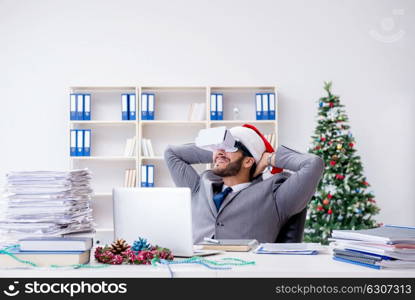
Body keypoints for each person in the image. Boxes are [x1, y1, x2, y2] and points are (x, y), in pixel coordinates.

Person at [164, 124, 324, 243]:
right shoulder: (199, 185)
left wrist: (269, 158)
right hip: (194, 271)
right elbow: (171, 153)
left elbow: (313, 164)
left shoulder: (275, 195)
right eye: (219, 147)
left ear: (248, 161)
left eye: (229, 146)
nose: (220, 151)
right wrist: (218, 149)